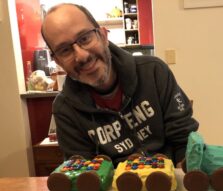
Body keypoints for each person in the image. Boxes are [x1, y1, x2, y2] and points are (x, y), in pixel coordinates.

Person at [41, 3, 199, 167]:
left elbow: (184, 142)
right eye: (65, 50)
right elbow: (83, 174)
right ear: (58, 61)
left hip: (169, 184)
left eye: (85, 38)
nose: (81, 56)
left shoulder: (154, 72)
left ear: (103, 36)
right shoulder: (65, 109)